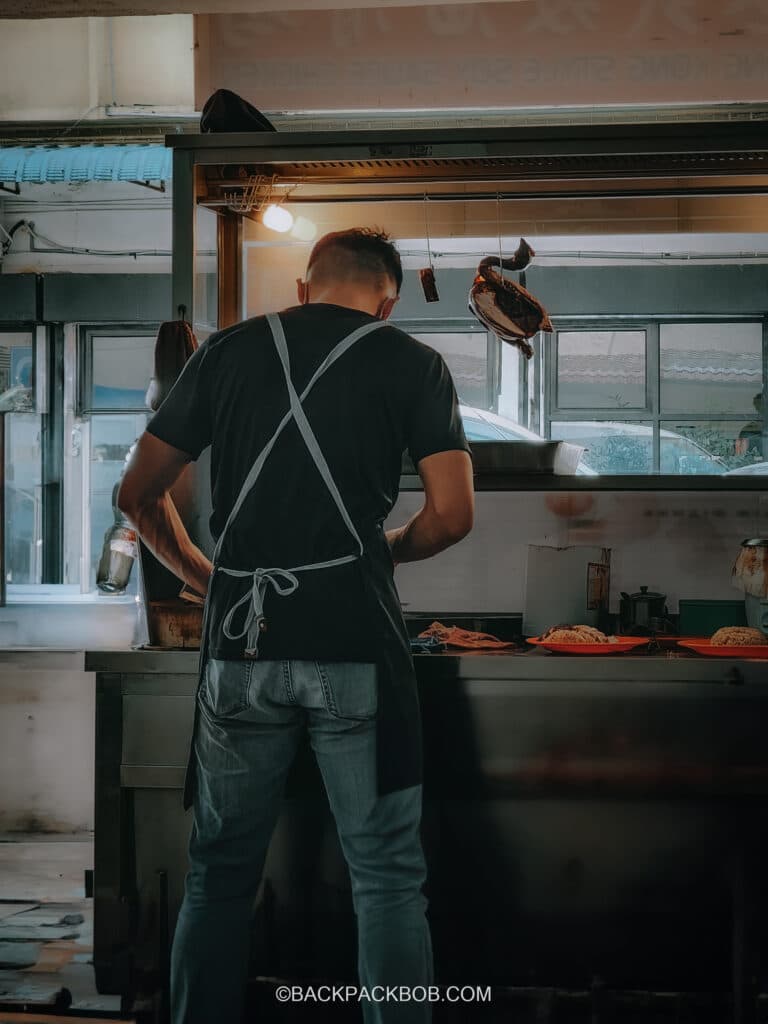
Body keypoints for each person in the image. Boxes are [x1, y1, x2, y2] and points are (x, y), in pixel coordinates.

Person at [118, 227, 475, 1024]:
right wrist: (378, 552)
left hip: (241, 647)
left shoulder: (223, 354)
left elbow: (137, 496)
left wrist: (213, 582)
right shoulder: (414, 362)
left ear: (306, 289)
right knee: (384, 876)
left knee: (218, 873)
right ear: (386, 302)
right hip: (355, 642)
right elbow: (451, 517)